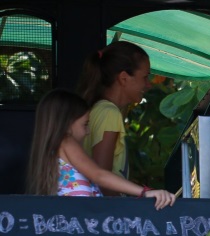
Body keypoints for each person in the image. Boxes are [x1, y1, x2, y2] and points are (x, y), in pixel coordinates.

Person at [25, 89, 175, 209]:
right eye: (85, 124)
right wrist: (145, 192)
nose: (88, 131)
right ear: (67, 123)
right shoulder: (66, 141)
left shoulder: (53, 150)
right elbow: (99, 175)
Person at [77, 41, 151, 192]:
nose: (148, 85)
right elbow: (103, 183)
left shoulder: (99, 108)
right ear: (123, 78)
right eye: (145, 77)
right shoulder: (109, 113)